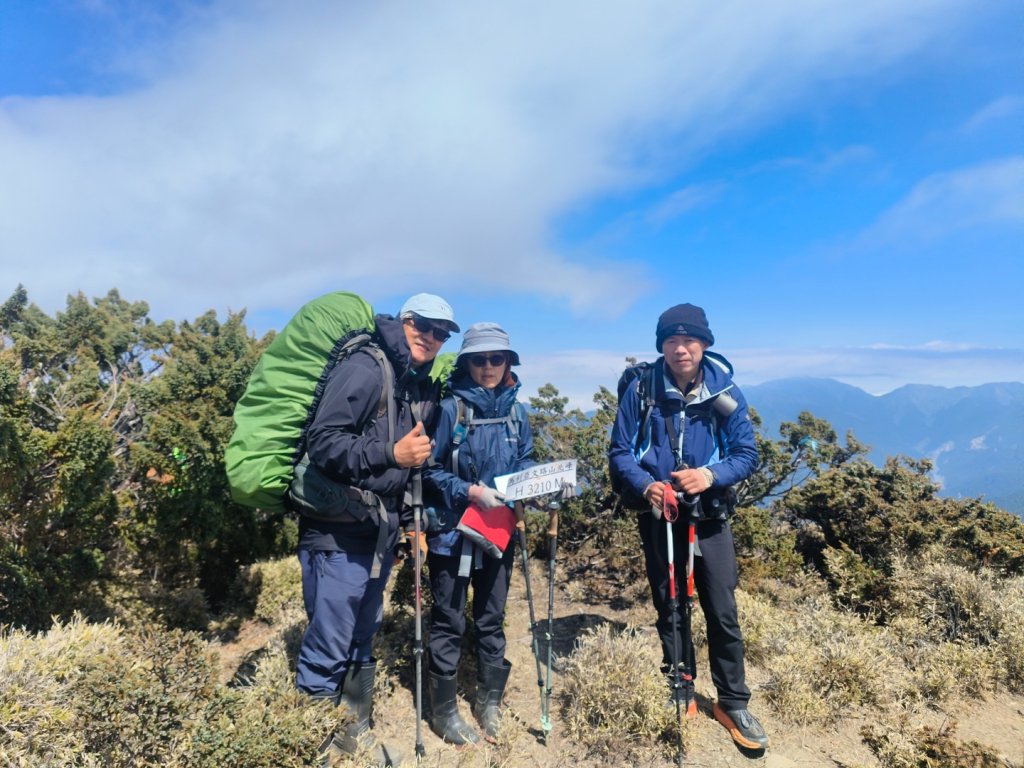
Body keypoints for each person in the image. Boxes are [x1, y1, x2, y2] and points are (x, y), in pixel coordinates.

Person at [294, 293, 459, 768]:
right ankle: (316, 752)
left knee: (362, 636)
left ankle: (354, 738)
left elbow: (410, 471)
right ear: (404, 321)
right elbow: (324, 442)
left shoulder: (413, 384)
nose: (432, 338)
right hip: (337, 531)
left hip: (377, 532)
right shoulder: (368, 367)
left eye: (442, 333)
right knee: (328, 644)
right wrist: (390, 455)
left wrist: (411, 525)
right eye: (424, 326)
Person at [608, 303, 769, 751]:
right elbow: (620, 450)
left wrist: (708, 476)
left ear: (704, 344)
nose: (681, 348)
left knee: (721, 607)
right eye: (672, 340)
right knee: (671, 601)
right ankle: (680, 685)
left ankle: (732, 701)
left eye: (690, 340)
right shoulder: (641, 390)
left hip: (711, 514)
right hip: (662, 514)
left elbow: (747, 454)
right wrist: (646, 487)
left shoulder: (725, 391)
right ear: (661, 345)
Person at [422, 322, 534, 745]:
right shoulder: (451, 409)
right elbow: (427, 470)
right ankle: (444, 711)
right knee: (449, 619)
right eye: (479, 359)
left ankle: (489, 702)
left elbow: (525, 459)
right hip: (453, 531)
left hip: (497, 532)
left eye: (496, 358)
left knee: (491, 618)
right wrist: (468, 491)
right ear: (466, 363)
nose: (488, 367)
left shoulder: (517, 413)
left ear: (507, 363)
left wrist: (534, 484)